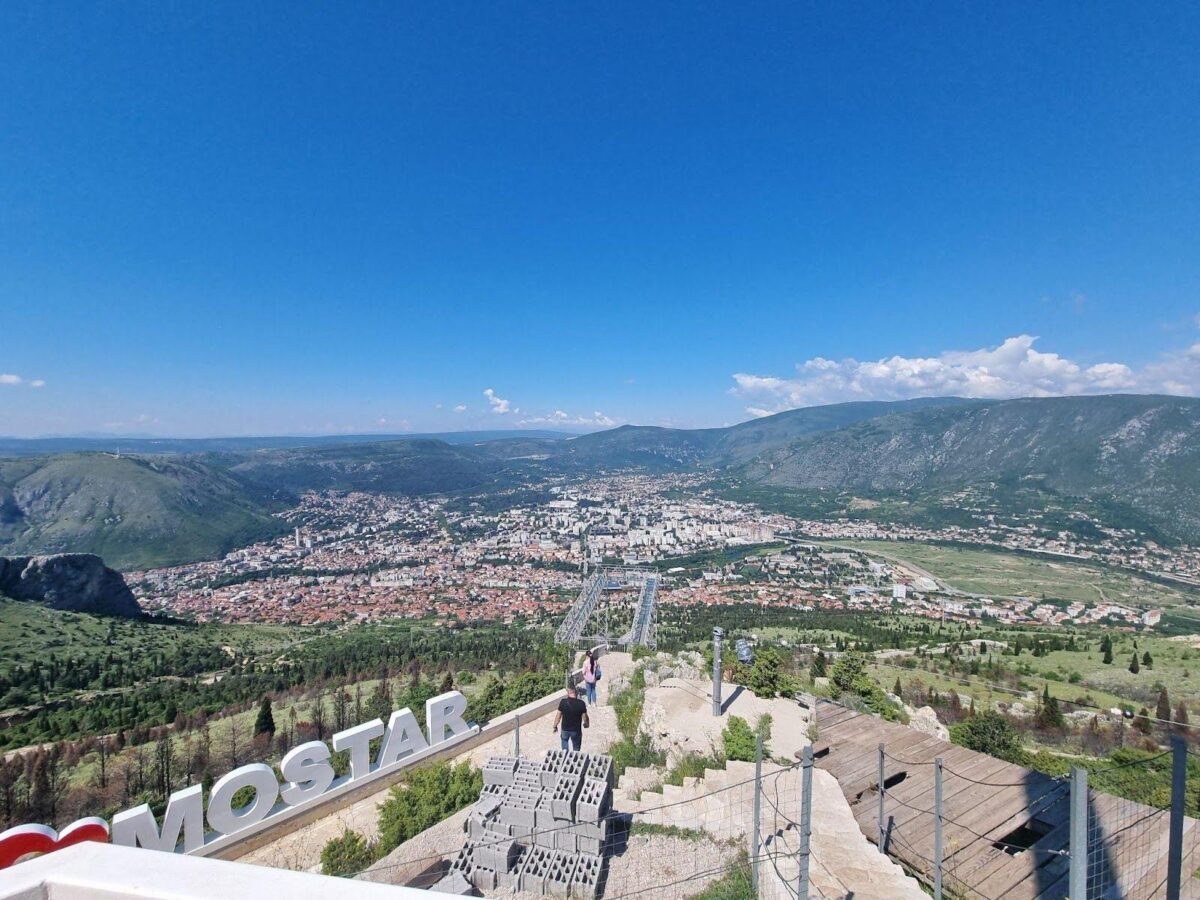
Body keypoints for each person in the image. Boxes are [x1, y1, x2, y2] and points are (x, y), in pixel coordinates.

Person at [553, 684, 589, 751]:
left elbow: (558, 716)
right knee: (576, 748)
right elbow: (585, 716)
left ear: (568, 692)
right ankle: (575, 759)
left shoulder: (563, 702)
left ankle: (565, 757)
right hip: (576, 730)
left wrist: (555, 726)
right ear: (575, 692)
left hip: (565, 729)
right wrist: (586, 724)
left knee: (564, 746)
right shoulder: (581, 703)